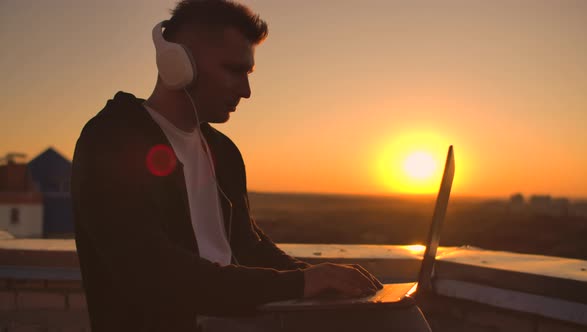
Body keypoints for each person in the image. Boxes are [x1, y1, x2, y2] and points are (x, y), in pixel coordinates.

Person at [71, 1, 431, 331]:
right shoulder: (111, 139)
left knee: (396, 318)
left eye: (249, 74)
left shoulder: (222, 151)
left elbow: (250, 244)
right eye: (233, 70)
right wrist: (302, 283)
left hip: (242, 319)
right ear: (178, 65)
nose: (246, 91)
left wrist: (324, 279)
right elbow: (152, 272)